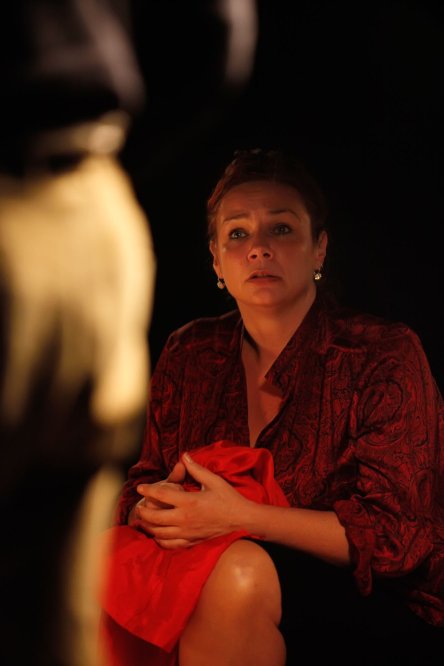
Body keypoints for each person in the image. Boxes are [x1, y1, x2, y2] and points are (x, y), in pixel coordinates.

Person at [101, 148, 444, 666]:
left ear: (319, 249)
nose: (258, 248)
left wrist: (240, 517)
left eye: (281, 229)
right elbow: (143, 478)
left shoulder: (381, 353)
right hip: (215, 574)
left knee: (232, 573)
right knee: (90, 562)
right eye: (238, 233)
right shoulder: (189, 352)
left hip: (374, 601)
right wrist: (154, 507)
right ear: (216, 260)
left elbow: (399, 539)